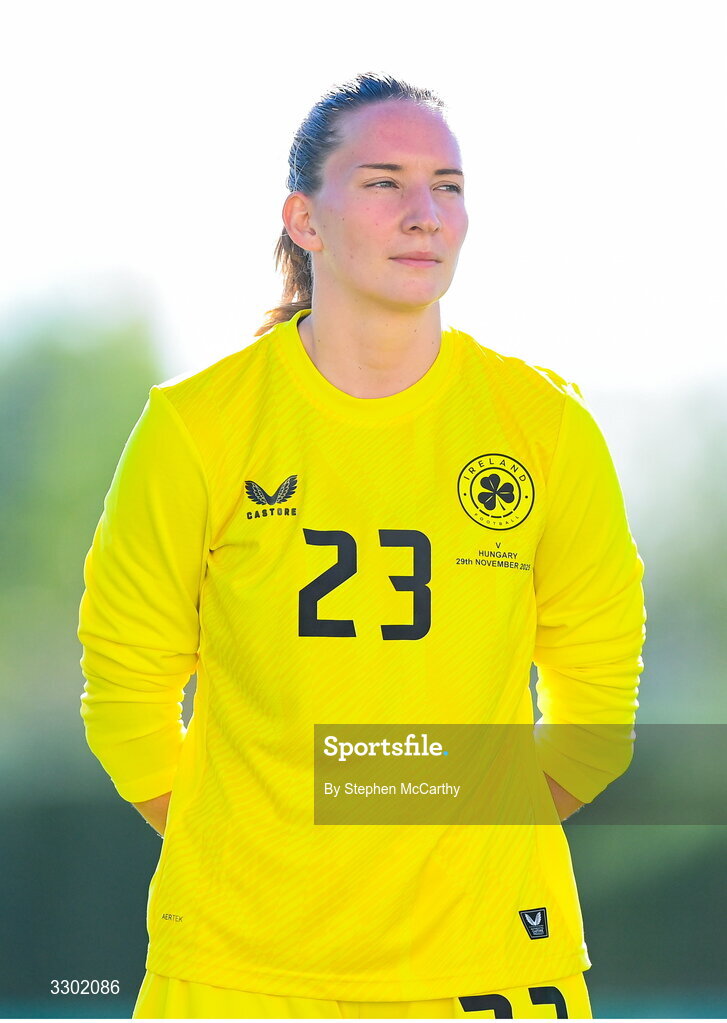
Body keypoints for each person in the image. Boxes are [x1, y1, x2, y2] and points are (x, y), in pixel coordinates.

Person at [77, 72, 646, 1019]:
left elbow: (596, 704)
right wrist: (246, 842)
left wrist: (470, 840)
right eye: (383, 182)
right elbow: (126, 685)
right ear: (305, 218)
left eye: (448, 186)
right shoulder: (197, 426)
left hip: (489, 963)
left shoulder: (544, 428)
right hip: (236, 970)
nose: (424, 213)